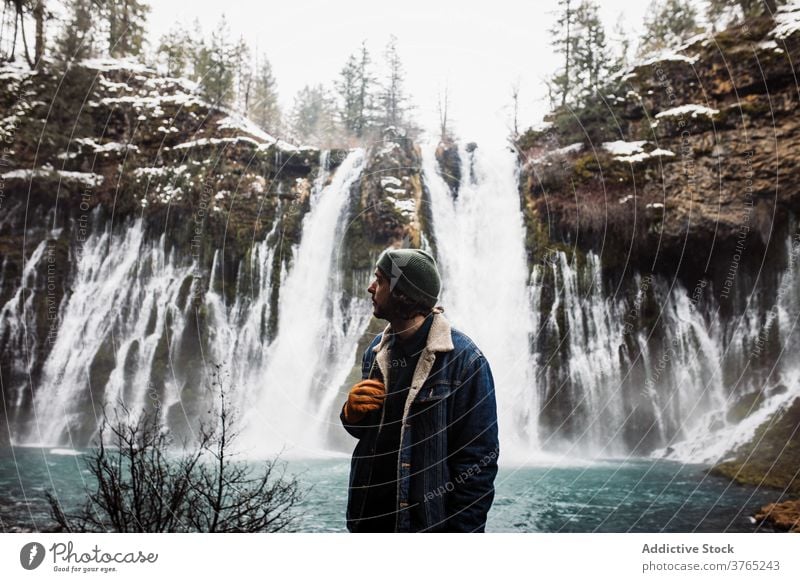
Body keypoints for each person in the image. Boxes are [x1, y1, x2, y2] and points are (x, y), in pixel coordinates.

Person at [340, 247, 499, 532]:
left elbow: (478, 465)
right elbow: (373, 436)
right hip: (368, 521)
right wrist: (351, 415)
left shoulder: (465, 362)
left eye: (380, 280)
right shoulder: (375, 353)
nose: (370, 287)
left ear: (402, 292)